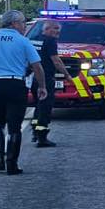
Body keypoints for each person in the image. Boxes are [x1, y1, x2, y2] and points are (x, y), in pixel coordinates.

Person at [0, 10, 47, 175]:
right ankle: (12, 164)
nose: (24, 26)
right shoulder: (23, 41)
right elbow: (36, 66)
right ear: (14, 24)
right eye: (22, 22)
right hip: (16, 84)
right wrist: (42, 86)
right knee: (14, 126)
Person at [30, 19, 69, 147]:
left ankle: (35, 131)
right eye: (55, 29)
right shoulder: (50, 41)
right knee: (45, 107)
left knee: (38, 105)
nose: (58, 32)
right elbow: (56, 61)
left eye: (59, 30)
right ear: (46, 29)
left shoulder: (35, 39)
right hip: (46, 78)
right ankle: (42, 137)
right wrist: (67, 75)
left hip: (34, 78)